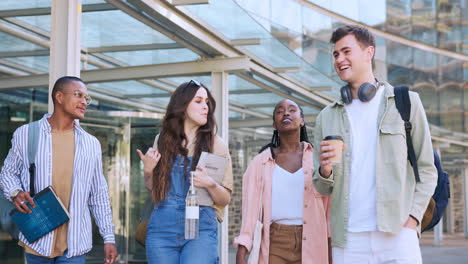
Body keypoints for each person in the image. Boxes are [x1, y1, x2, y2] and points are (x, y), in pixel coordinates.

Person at [313, 25, 437, 264]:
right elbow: (321, 187)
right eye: (335, 54)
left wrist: (412, 218)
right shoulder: (326, 116)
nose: (340, 59)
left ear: (369, 53)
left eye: (346, 51)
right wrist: (325, 169)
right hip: (349, 239)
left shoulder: (406, 103)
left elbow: (427, 168)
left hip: (397, 233)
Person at [0, 76, 118, 263]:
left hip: (75, 244)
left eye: (86, 98)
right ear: (59, 97)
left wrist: (109, 238)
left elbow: (98, 194)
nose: (83, 102)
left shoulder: (90, 144)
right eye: (78, 95)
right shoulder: (26, 134)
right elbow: (8, 172)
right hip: (38, 238)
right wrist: (15, 193)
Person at [136, 80, 233, 264]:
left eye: (207, 102)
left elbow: (224, 199)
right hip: (162, 226)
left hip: (200, 227)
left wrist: (209, 183)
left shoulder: (216, 144)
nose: (205, 107)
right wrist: (148, 171)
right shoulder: (162, 140)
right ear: (182, 105)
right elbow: (154, 189)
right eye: (198, 101)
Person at [235, 99, 331, 264]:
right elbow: (249, 211)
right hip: (274, 243)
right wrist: (242, 248)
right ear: (274, 124)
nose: (286, 113)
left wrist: (330, 247)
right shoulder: (260, 163)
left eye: (292, 110)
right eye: (280, 111)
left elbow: (328, 206)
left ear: (302, 121)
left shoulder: (317, 159)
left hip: (313, 240)